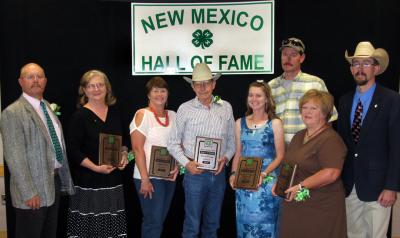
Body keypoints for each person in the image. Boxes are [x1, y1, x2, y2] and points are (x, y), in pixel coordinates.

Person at [0, 63, 75, 238]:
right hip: (32, 191)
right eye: (30, 77)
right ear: (20, 81)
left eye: (39, 76)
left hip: (53, 184)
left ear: (45, 81)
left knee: (49, 234)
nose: (35, 80)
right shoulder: (12, 112)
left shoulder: (47, 106)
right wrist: (29, 192)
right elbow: (14, 156)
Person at [338, 41, 400, 238]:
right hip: (350, 186)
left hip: (379, 187)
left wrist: (391, 186)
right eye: (356, 63)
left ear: (376, 67)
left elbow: (397, 146)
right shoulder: (344, 100)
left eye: (366, 63)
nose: (360, 68)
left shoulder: (392, 100)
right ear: (351, 68)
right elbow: (342, 145)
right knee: (353, 234)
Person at [167, 63, 235, 238]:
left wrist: (225, 158)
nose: (203, 88)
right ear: (192, 86)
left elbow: (231, 142)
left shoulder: (226, 107)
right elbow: (172, 143)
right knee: (192, 225)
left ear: (214, 84)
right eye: (198, 83)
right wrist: (187, 164)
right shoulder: (184, 108)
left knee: (213, 225)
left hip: (218, 173)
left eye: (206, 83)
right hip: (194, 175)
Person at [273, 89, 347, 238]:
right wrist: (281, 183)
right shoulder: (299, 135)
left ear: (325, 113)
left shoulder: (331, 139)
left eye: (313, 108)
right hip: (295, 206)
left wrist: (301, 186)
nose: (307, 111)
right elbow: (289, 164)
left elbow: (331, 173)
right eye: (304, 107)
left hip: (321, 207)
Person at [66, 70, 129, 237]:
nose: (96, 89)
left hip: (113, 180)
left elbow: (124, 144)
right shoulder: (79, 117)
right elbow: (72, 150)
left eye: (100, 85)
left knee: (111, 228)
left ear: (107, 88)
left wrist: (124, 157)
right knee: (89, 229)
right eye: (91, 86)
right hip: (88, 181)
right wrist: (95, 167)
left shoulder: (115, 112)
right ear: (84, 90)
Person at [229, 80, 284, 238]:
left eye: (258, 95)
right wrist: (233, 175)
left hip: (266, 183)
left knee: (267, 229)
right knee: (245, 228)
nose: (254, 99)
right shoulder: (239, 123)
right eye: (251, 95)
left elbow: (280, 156)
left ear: (267, 98)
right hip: (244, 183)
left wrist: (264, 174)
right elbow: (238, 153)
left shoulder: (275, 123)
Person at [130, 76, 178, 238]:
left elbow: (177, 145)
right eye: (155, 91)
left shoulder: (173, 115)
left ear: (168, 94)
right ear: (148, 94)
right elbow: (137, 148)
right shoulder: (142, 114)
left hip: (168, 176)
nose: (159, 94)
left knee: (159, 221)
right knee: (153, 221)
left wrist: (177, 166)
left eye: (163, 90)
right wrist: (145, 179)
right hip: (148, 177)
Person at [268, 37, 338, 145]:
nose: (288, 58)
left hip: (306, 151)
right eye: (285, 54)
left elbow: (330, 118)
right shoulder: (271, 86)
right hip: (277, 152)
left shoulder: (315, 83)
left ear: (302, 58)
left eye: (293, 55)